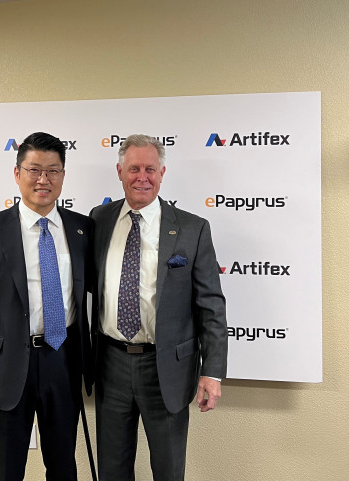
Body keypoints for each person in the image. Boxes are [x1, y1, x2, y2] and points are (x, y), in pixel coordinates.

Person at [90, 134, 228, 481]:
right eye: (134, 169)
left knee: (168, 471)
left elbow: (211, 305)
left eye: (150, 169)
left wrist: (212, 372)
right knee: (111, 471)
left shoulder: (192, 229)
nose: (142, 177)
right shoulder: (99, 220)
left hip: (166, 368)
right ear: (119, 171)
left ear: (162, 173)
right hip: (110, 364)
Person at [0, 132, 93, 481]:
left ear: (63, 175)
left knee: (63, 467)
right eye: (34, 170)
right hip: (8, 367)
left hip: (63, 361)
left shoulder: (82, 229)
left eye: (52, 171)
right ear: (17, 174)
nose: (43, 180)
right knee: (7, 469)